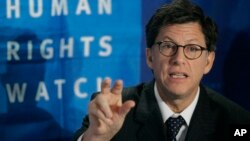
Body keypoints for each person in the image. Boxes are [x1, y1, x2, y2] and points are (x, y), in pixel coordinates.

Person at [73, 0, 250, 141]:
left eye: (192, 49)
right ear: (150, 57)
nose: (179, 59)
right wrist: (97, 138)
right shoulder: (113, 111)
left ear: (209, 62)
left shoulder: (237, 122)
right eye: (168, 46)